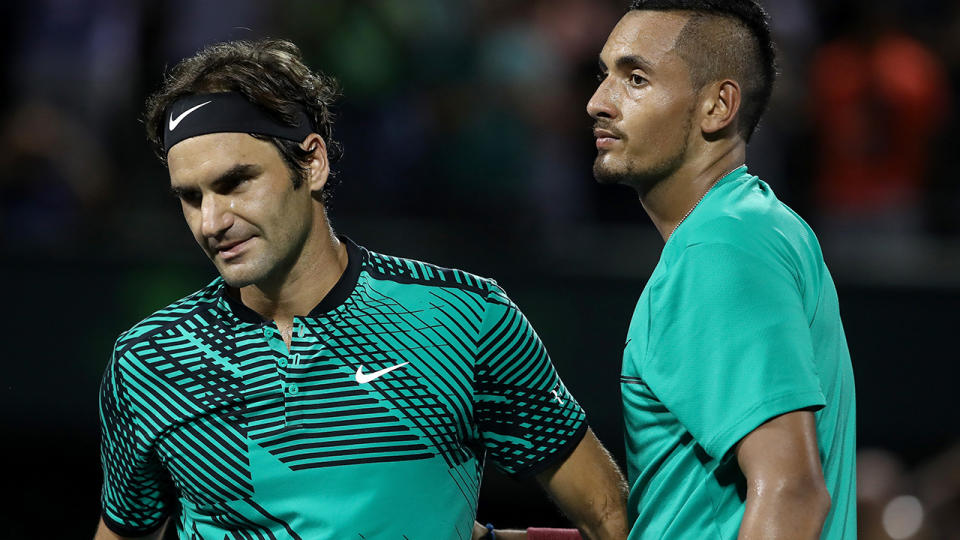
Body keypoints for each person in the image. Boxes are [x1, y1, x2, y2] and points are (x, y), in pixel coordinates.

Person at [94, 39, 628, 540]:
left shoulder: (467, 317)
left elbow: (608, 514)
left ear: (313, 162)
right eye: (190, 197)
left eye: (235, 183)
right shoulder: (147, 361)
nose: (212, 221)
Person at [587, 1, 856, 538]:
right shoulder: (758, 226)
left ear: (718, 106)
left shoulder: (721, 247)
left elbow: (794, 495)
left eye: (635, 78)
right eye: (604, 75)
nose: (598, 102)